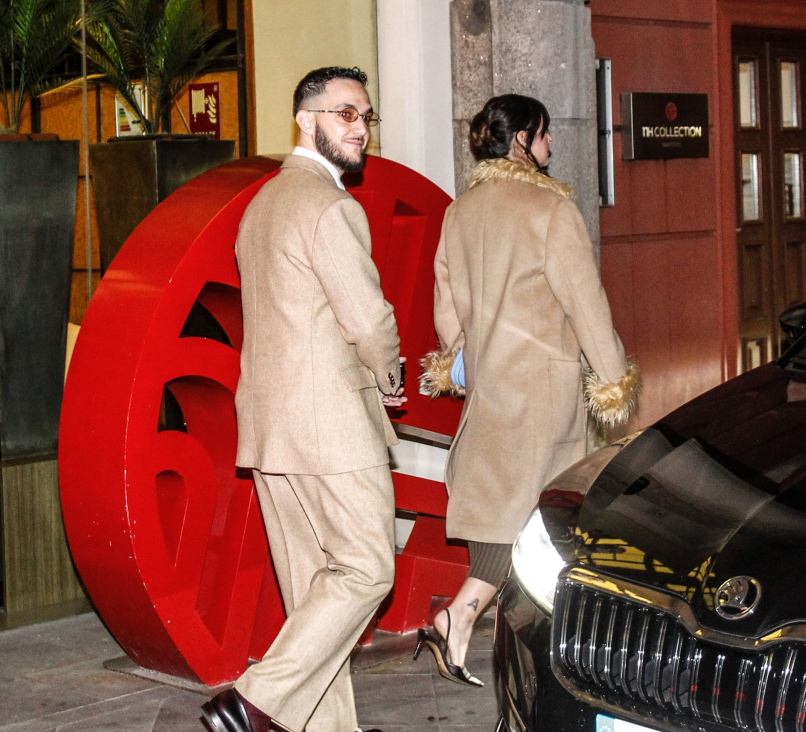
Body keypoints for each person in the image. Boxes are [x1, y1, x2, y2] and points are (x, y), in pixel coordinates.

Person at [200, 66, 403, 732]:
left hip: (270, 424)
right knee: (368, 571)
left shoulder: (261, 204)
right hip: (331, 424)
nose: (360, 129)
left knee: (317, 591)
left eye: (366, 116)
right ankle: (255, 700)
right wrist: (392, 376)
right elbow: (367, 319)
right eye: (345, 114)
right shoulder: (331, 206)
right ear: (305, 120)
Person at [416, 94, 640, 686]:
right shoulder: (550, 209)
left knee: (504, 510)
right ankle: (471, 624)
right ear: (520, 140)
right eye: (543, 134)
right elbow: (586, 303)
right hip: (545, 388)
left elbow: (448, 308)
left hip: (493, 383)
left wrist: (467, 358)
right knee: (537, 519)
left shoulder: (461, 212)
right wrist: (612, 378)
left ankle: (472, 632)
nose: (550, 145)